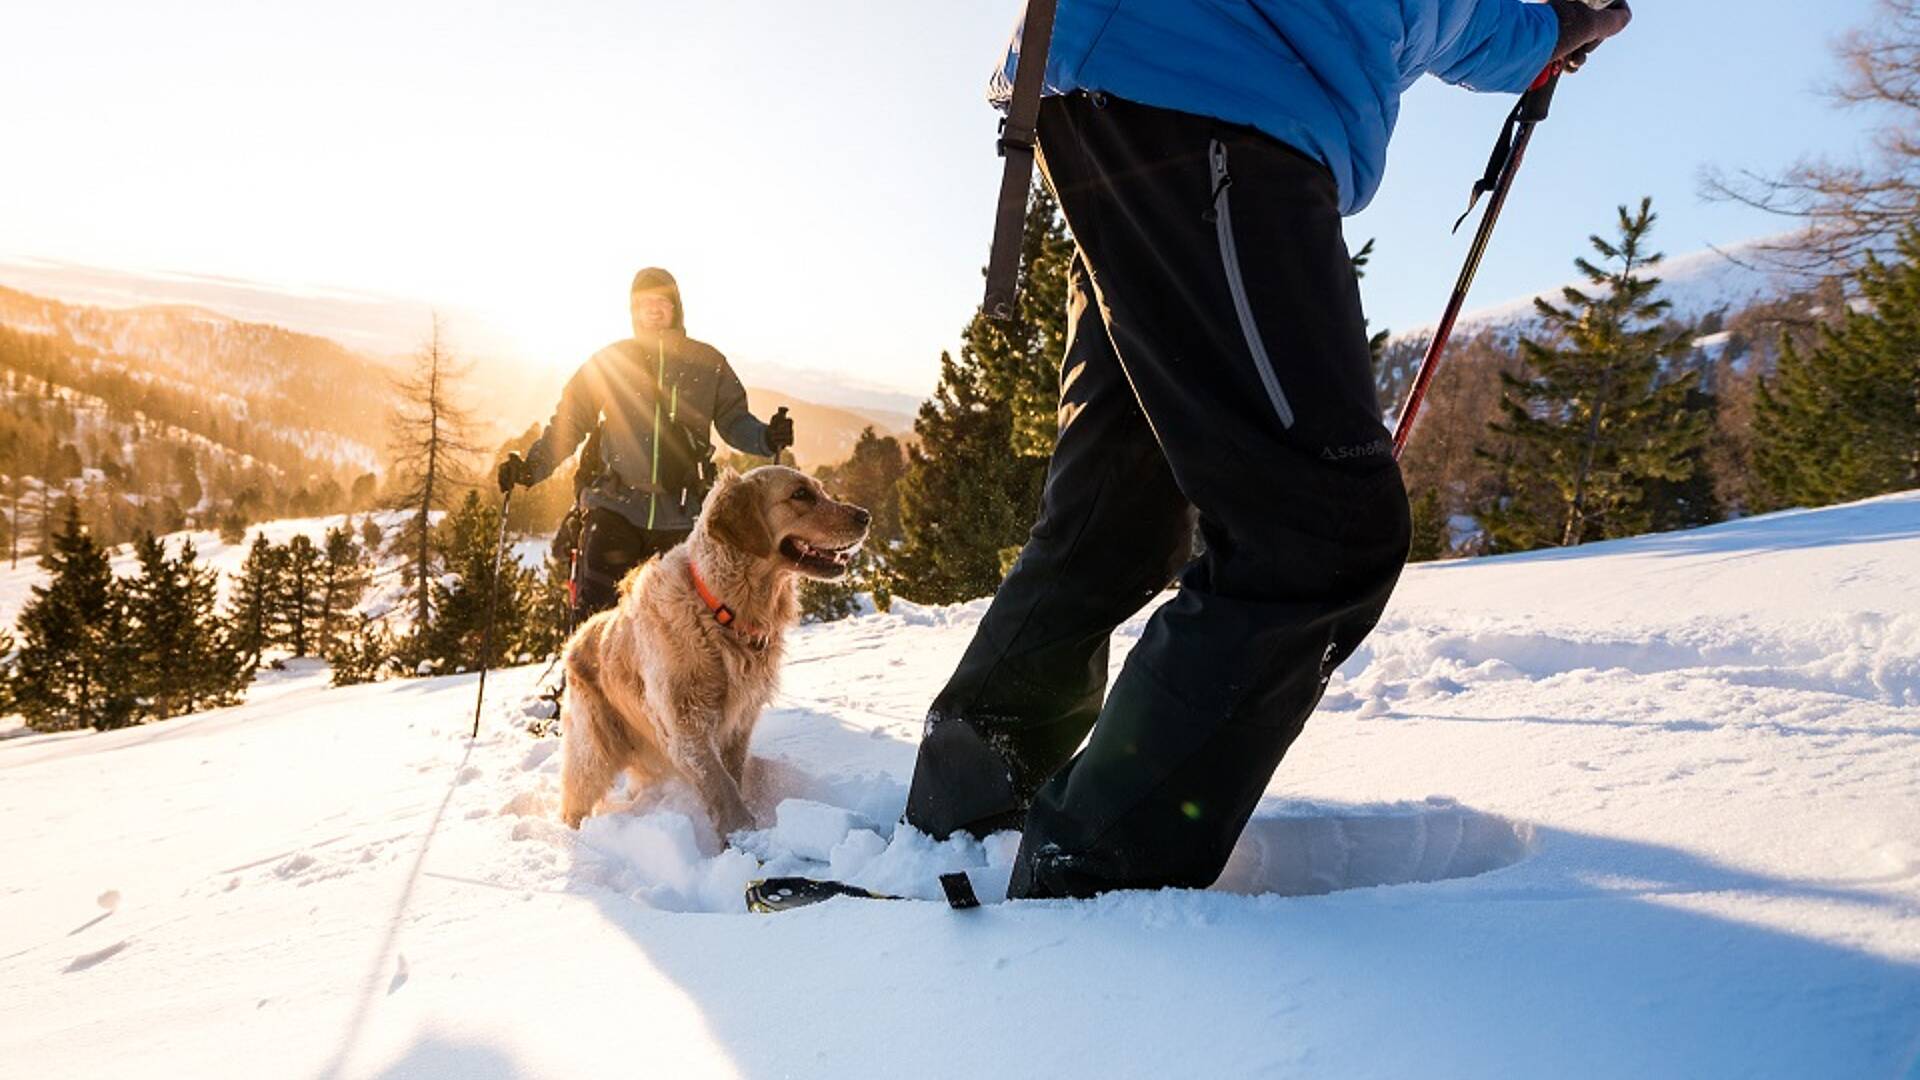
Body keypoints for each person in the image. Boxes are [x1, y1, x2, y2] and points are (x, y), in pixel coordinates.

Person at [903, 0, 1633, 899]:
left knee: (1122, 507)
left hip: (1112, 86)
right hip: (1224, 97)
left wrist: (1543, 35)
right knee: (1320, 534)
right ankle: (1090, 886)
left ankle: (963, 805)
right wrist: (1554, 32)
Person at [499, 267, 795, 623]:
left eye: (662, 302)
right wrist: (533, 467)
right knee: (598, 620)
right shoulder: (610, 362)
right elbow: (570, 423)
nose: (653, 310)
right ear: (632, 310)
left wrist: (765, 437)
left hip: (682, 514)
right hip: (615, 506)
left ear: (676, 307)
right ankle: (589, 679)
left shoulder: (707, 362)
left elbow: (733, 420)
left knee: (682, 623)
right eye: (644, 303)